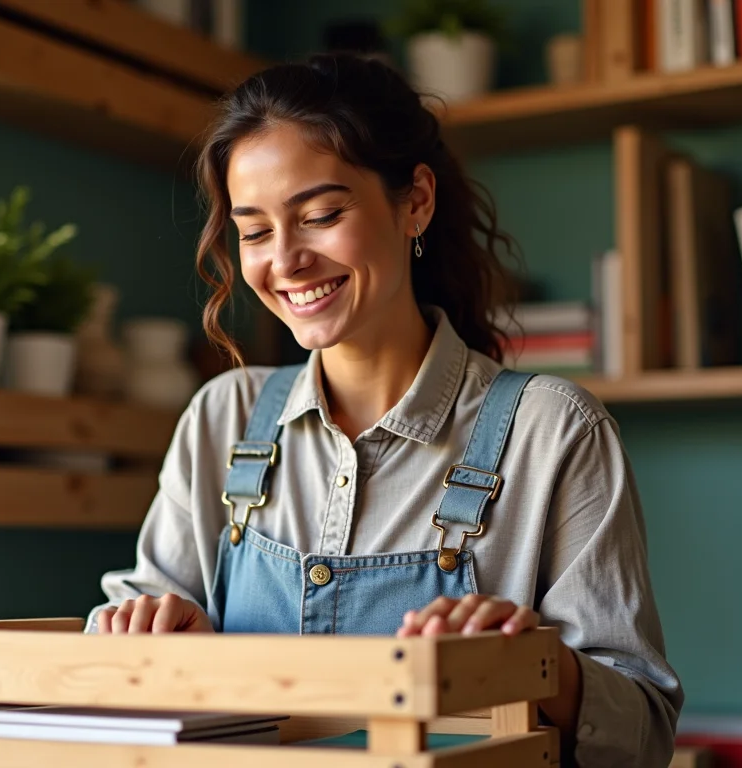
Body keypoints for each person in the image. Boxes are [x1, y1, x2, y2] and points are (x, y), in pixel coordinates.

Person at [86, 53, 682, 767]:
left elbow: (643, 732)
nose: (286, 260)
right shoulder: (223, 418)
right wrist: (145, 631)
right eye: (253, 231)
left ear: (415, 201)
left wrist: (537, 664)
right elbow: (119, 651)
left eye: (321, 216)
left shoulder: (552, 431)